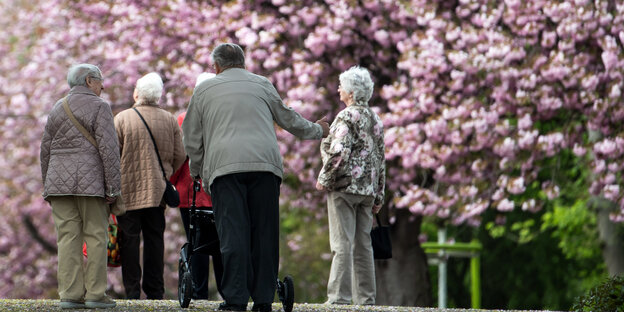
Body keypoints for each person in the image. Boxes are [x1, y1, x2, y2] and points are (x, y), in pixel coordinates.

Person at [182, 43, 330, 312]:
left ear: (216, 67)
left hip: (225, 170)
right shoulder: (262, 84)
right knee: (265, 233)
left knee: (233, 233)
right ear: (244, 62)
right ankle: (263, 300)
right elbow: (289, 119)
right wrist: (318, 130)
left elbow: (191, 137)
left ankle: (236, 300)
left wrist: (197, 170)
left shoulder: (203, 90)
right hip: (265, 168)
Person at [40, 63, 120, 309]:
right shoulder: (101, 107)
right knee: (96, 236)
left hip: (58, 184)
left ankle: (70, 295)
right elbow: (109, 151)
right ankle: (96, 294)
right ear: (88, 81)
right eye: (99, 81)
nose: (103, 86)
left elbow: (45, 149)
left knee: (67, 238)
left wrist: (49, 184)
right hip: (92, 184)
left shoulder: (57, 107)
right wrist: (113, 189)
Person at [316, 66, 386, 305]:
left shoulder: (346, 116)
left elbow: (339, 151)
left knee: (341, 243)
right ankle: (366, 299)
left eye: (342, 86)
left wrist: (324, 178)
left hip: (344, 188)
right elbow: (380, 158)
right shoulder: (375, 119)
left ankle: (339, 297)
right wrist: (379, 195)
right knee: (364, 245)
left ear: (352, 92)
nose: (338, 89)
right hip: (367, 190)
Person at [114, 72, 186, 299]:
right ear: (158, 96)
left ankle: (132, 292)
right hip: (157, 191)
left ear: (137, 93)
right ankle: (155, 291)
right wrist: (165, 174)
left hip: (128, 190)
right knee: (155, 239)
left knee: (130, 239)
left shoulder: (122, 118)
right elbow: (180, 155)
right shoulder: (169, 119)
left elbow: (113, 156)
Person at [170, 72, 224, 299]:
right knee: (222, 243)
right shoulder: (223, 118)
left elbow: (179, 157)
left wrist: (170, 183)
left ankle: (199, 292)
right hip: (220, 191)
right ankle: (226, 290)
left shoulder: (184, 119)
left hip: (190, 192)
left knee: (196, 242)